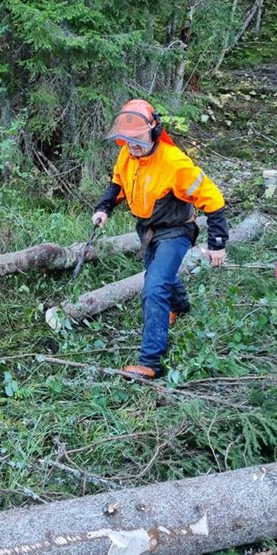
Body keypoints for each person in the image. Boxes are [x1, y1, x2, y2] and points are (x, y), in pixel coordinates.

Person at [92, 99, 228, 379]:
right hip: (148, 229)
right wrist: (104, 207)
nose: (132, 146)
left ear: (154, 132)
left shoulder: (175, 162)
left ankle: (150, 362)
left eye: (138, 140)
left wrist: (217, 242)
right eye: (127, 141)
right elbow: (118, 183)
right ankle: (179, 306)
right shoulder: (128, 155)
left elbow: (213, 199)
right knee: (159, 274)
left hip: (176, 230)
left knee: (153, 287)